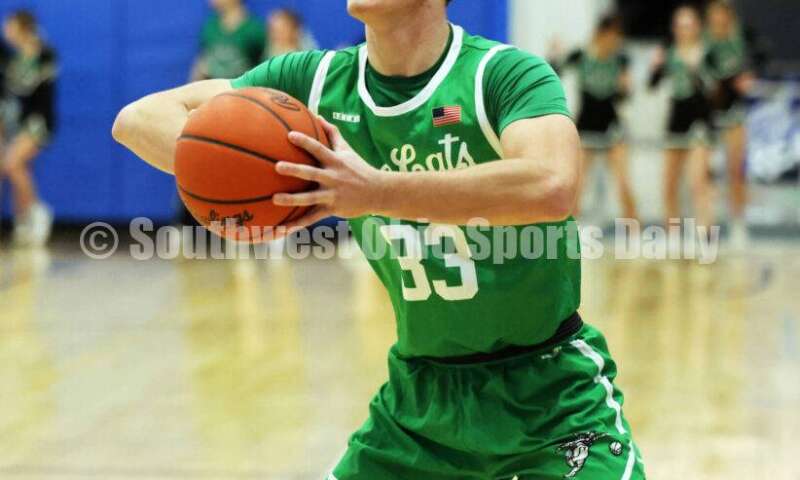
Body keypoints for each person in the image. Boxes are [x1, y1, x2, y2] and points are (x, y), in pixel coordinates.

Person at [112, 1, 646, 478]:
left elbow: (552, 186)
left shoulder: (500, 74)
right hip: (419, 404)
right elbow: (137, 120)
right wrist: (253, 172)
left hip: (549, 395)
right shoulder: (314, 84)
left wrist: (377, 190)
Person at [553, 15, 638, 221]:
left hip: (612, 124)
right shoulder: (581, 56)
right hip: (586, 123)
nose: (614, 42)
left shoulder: (620, 60)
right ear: (601, 34)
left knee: (623, 181)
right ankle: (572, 231)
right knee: (578, 183)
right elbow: (554, 70)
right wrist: (555, 54)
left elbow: (625, 95)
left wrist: (625, 87)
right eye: (612, 37)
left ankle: (634, 230)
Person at [705, 0, 767, 249]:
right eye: (714, 15)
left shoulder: (741, 38)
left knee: (735, 170)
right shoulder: (706, 41)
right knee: (706, 174)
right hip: (708, 114)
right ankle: (706, 228)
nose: (718, 19)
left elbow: (762, 55)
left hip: (735, 112)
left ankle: (738, 224)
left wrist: (750, 75)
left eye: (722, 15)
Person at [649, 5, 715, 236]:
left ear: (697, 27)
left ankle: (703, 234)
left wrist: (695, 68)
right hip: (676, 117)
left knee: (698, 180)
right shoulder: (669, 52)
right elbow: (653, 85)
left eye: (688, 25)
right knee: (669, 182)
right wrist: (655, 67)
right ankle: (673, 234)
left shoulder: (707, 52)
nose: (683, 30)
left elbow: (715, 89)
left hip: (699, 118)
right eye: (679, 25)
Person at [1, 10, 57, 247]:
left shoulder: (44, 53)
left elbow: (29, 87)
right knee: (17, 169)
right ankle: (23, 220)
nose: (6, 31)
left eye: (10, 26)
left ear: (22, 28)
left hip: (38, 122)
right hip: (15, 121)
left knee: (12, 163)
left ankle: (38, 211)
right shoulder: (10, 57)